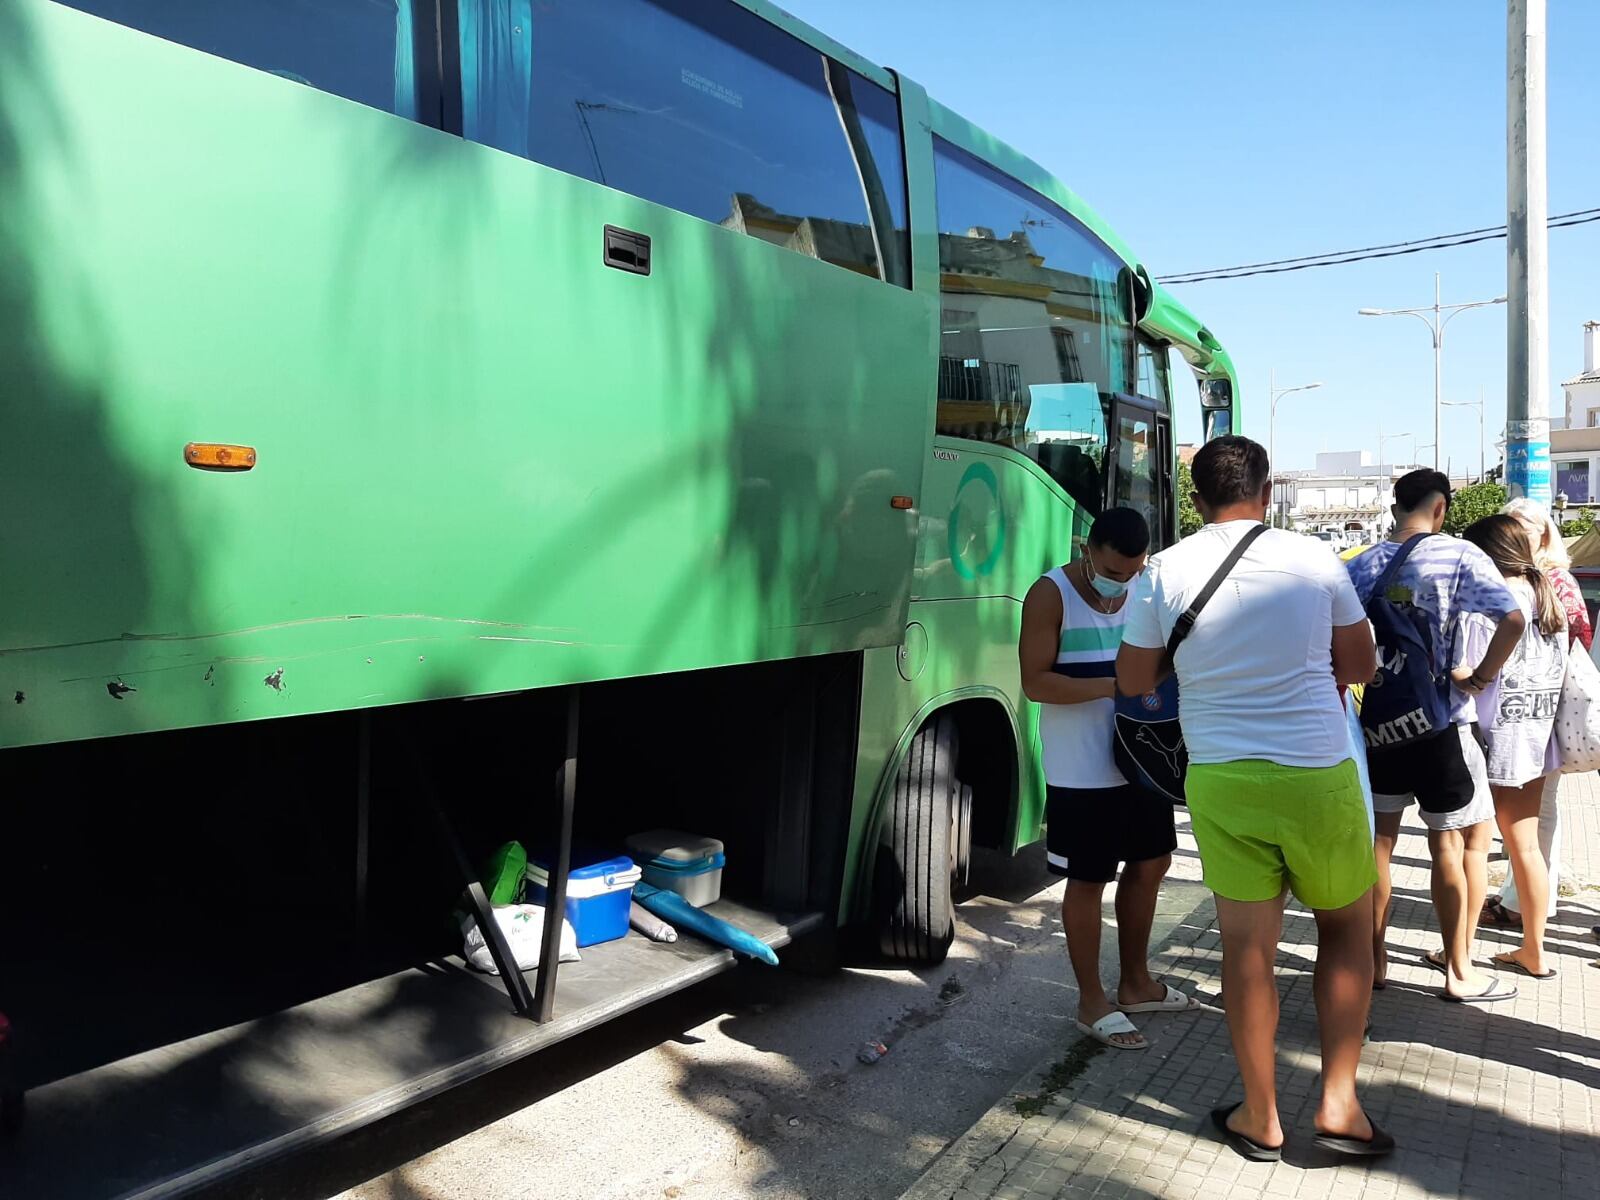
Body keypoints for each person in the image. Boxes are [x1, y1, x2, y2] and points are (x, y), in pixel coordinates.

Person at [1117, 437, 1388, 1161]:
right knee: (1345, 933)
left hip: (1223, 777)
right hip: (1317, 770)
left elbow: (1135, 677)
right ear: (1266, 491)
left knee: (1246, 950)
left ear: (1195, 498)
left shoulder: (1163, 572)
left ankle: (1260, 1116)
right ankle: (1340, 1105)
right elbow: (1360, 664)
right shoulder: (1314, 560)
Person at [1342, 470, 1524, 1004]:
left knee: (1378, 844)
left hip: (1380, 720)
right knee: (1447, 844)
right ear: (1440, 506)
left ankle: (1374, 964)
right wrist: (1482, 676)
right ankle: (1458, 970)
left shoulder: (1363, 564)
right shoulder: (1459, 556)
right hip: (1441, 721)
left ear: (1396, 505)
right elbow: (1511, 619)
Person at [1019, 507, 1191, 1051]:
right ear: (1087, 550)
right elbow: (1035, 683)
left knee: (1151, 862)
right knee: (1089, 878)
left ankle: (1136, 982)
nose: (1121, 583)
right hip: (1081, 766)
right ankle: (1091, 1001)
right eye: (1112, 571)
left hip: (1143, 758)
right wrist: (1113, 686)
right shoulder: (1050, 594)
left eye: (1131, 572)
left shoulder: (1148, 586)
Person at [1460, 514, 1567, 981]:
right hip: (1539, 733)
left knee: (1473, 846)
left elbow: (1470, 675)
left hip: (1495, 736)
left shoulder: (1490, 602)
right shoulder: (1550, 598)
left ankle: (1457, 953)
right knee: (1526, 846)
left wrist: (1461, 676)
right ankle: (1535, 949)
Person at [1482, 498, 1593, 932]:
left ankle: (1522, 908)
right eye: (1513, 524)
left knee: (1535, 819)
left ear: (1545, 530)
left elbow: (1577, 639)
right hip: (1538, 711)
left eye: (1528, 524)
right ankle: (1528, 911)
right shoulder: (1529, 579)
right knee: (1532, 821)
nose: (1520, 530)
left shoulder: (1554, 580)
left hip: (1543, 712)